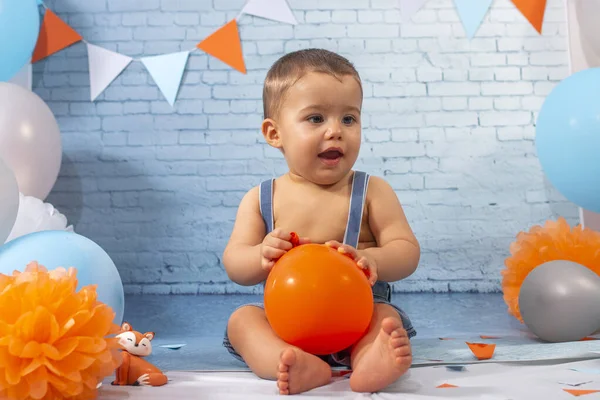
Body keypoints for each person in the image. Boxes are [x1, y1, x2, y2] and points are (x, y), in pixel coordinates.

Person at [221, 48, 421, 395]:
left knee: (385, 317)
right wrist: (260, 256)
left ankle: (370, 360)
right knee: (242, 321)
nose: (336, 131)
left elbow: (406, 251)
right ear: (274, 133)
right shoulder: (261, 198)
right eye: (316, 119)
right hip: (287, 323)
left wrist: (372, 259)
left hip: (358, 318)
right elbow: (235, 265)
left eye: (349, 118)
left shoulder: (371, 191)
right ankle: (291, 359)